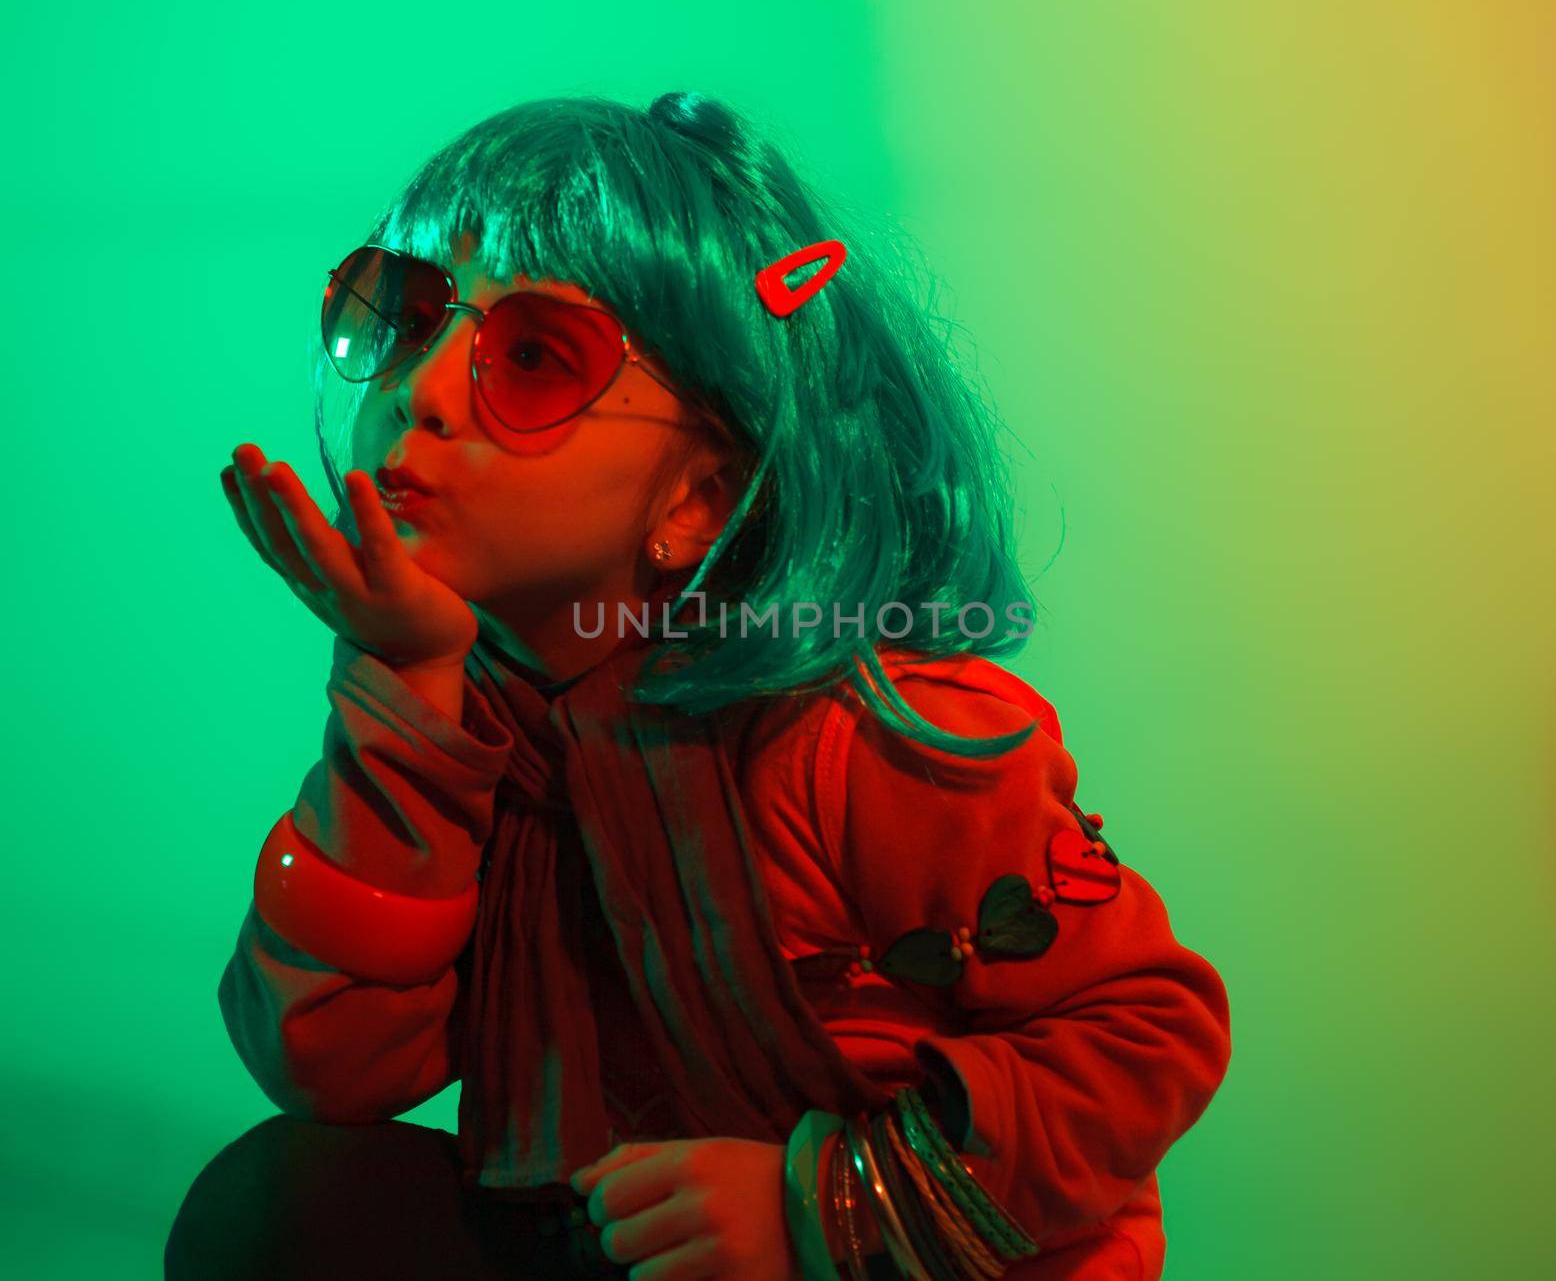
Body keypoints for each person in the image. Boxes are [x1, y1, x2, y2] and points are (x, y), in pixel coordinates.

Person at [165, 91, 1231, 1280]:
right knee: (285, 1212)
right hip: (614, 1234)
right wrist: (404, 698)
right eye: (404, 319)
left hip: (900, 1253)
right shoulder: (474, 722)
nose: (418, 390)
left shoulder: (879, 741)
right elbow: (329, 1066)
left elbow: (1148, 1036)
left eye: (530, 356)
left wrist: (824, 1208)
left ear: (697, 500)